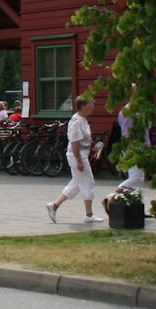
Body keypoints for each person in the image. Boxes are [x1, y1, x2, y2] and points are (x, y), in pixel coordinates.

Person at [46, 96, 99, 224]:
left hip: (82, 153)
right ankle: (89, 214)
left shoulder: (83, 120)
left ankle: (55, 206)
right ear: (83, 106)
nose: (93, 106)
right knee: (88, 182)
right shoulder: (76, 121)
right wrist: (79, 161)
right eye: (90, 104)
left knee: (77, 183)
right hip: (77, 155)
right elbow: (74, 142)